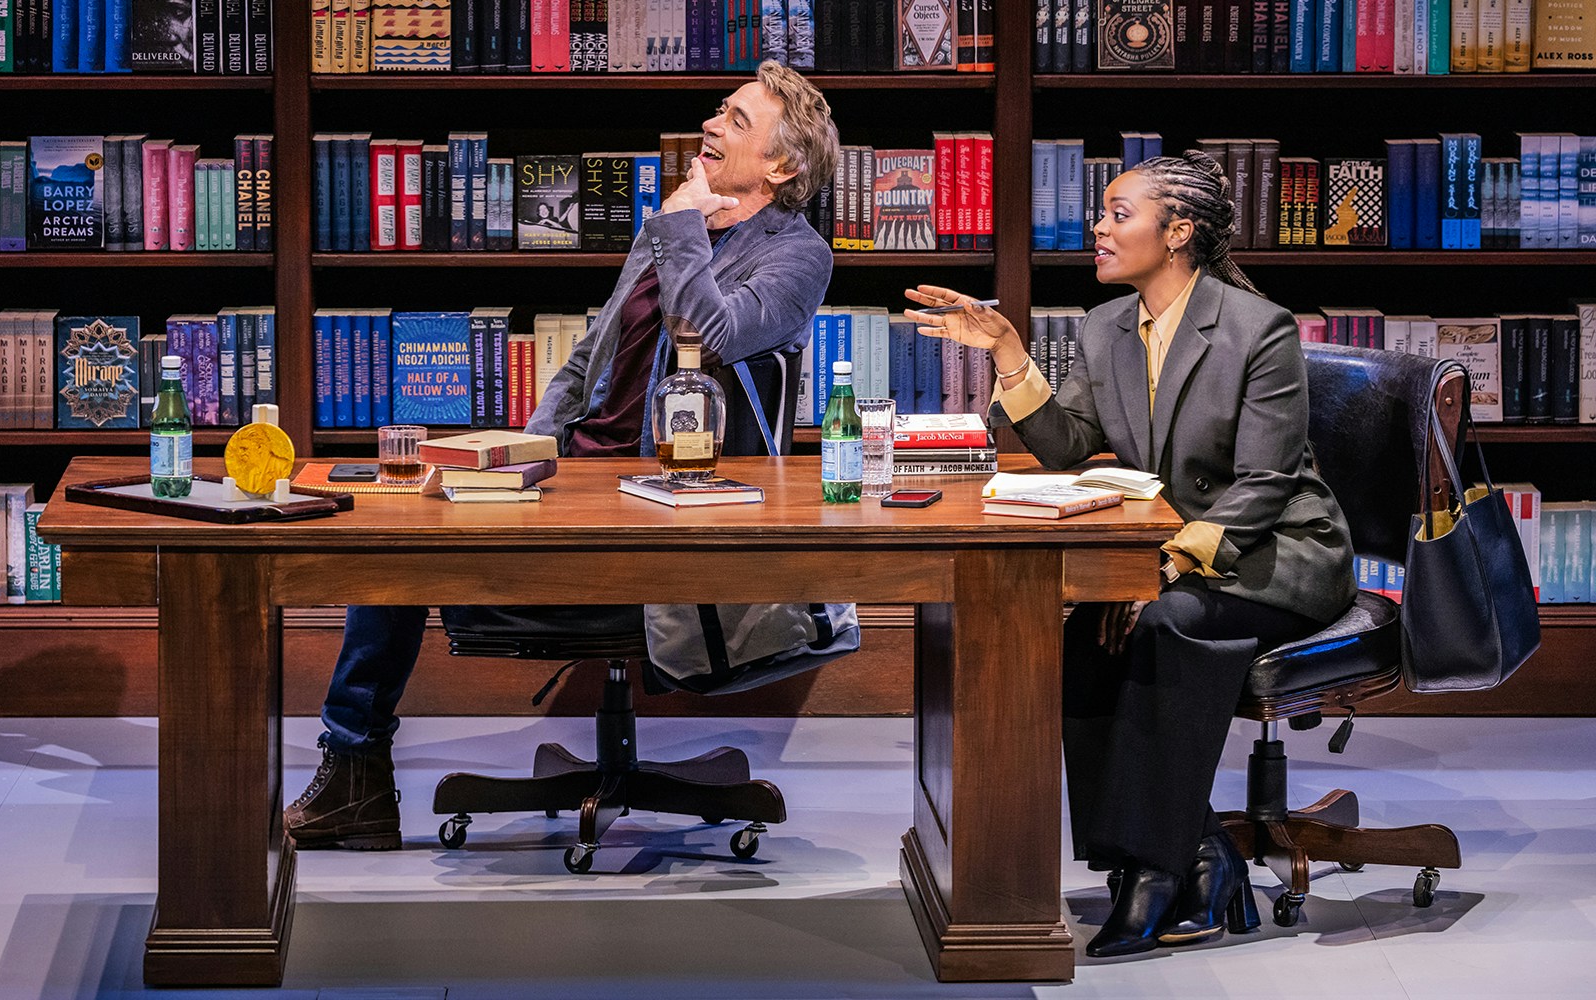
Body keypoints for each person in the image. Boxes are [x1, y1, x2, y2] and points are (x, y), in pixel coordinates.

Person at [286, 61, 840, 851]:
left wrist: (681, 224)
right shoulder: (671, 228)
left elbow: (709, 334)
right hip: (576, 481)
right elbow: (588, 362)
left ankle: (354, 771)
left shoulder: (797, 255)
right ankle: (354, 776)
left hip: (662, 513)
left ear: (780, 166)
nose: (711, 124)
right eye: (720, 109)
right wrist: (527, 455)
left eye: (737, 120)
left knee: (400, 551)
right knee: (393, 523)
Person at [904, 151, 1357, 958]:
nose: (1098, 228)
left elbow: (1265, 482)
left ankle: (1158, 870)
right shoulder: (1106, 325)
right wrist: (1008, 352)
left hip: (1274, 552)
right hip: (1171, 552)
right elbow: (1066, 443)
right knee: (1085, 635)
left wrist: (1162, 569)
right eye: (1103, 214)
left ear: (1177, 232)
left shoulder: (1259, 328)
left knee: (1166, 625)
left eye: (1119, 214)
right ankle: (1183, 856)